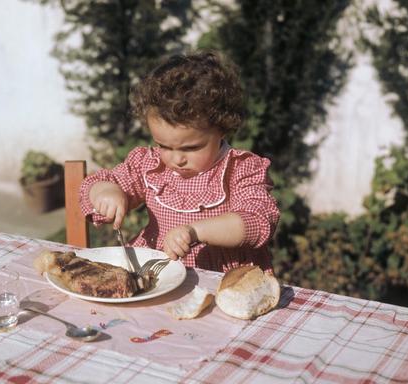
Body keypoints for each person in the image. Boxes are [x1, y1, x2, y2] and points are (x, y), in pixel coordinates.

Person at [78, 51, 280, 273]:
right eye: (164, 146)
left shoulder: (240, 170)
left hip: (222, 277)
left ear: (222, 129)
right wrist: (107, 192)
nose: (176, 159)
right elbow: (103, 181)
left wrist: (195, 231)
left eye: (191, 147)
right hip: (159, 270)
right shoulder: (150, 165)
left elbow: (257, 221)